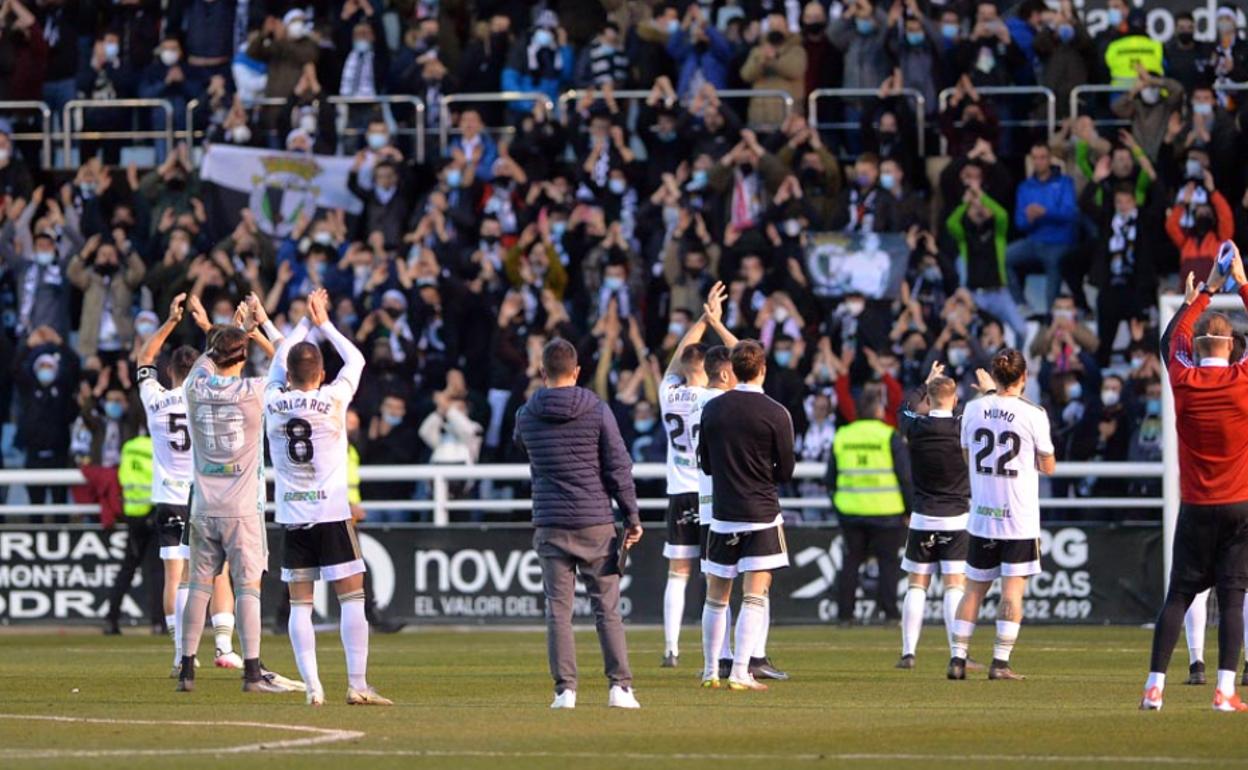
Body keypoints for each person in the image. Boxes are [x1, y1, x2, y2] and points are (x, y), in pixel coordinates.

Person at [267, 289, 390, 707]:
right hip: (332, 511)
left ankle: (313, 686)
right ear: (320, 374)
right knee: (351, 595)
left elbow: (276, 361)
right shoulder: (334, 398)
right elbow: (356, 360)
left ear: (289, 372)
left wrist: (303, 323)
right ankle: (357, 683)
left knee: (300, 601)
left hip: (292, 513)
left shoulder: (273, 399)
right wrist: (324, 324)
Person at [176, 296, 300, 695]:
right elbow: (287, 360)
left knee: (198, 586)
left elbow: (208, 360)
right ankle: (251, 673)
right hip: (242, 508)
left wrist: (232, 331)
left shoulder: (194, 385)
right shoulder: (254, 391)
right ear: (242, 358)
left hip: (204, 506)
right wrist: (258, 327)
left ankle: (187, 671)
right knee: (248, 588)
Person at [1141, 254, 1248, 712]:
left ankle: (1154, 686)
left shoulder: (1184, 379)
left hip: (1196, 503)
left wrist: (1201, 292)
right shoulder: (1242, 381)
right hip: (1240, 502)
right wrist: (1242, 283)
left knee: (1179, 595)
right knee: (1233, 596)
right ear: (1232, 346)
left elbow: (1171, 341)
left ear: (1201, 345)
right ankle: (1224, 690)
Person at [513, 338, 643, 710]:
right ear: (577, 371)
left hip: (550, 522)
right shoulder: (597, 410)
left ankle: (565, 691)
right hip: (595, 522)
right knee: (607, 609)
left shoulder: (526, 413)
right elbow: (618, 467)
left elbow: (519, 442)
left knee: (558, 609)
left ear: (542, 373)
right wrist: (631, 515)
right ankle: (620, 687)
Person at [948, 348, 1055, 681]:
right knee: (1012, 590)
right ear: (1024, 377)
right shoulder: (1034, 414)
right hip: (1018, 517)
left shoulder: (972, 409)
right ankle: (1000, 662)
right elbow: (1048, 466)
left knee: (973, 589)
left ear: (994, 377)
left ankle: (957, 658)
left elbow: (967, 454)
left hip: (982, 514)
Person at [698, 340, 795, 691]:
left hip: (723, 514)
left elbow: (705, 463)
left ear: (733, 371)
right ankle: (741, 671)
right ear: (763, 369)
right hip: (762, 514)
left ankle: (711, 670)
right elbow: (786, 470)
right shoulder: (776, 412)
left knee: (716, 594)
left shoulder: (713, 409)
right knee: (754, 594)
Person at [657, 282, 734, 668]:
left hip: (677, 491)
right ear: (708, 368)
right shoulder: (714, 397)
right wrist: (716, 323)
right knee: (716, 575)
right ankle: (722, 652)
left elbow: (675, 358)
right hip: (708, 494)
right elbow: (745, 360)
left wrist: (701, 321)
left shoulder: (667, 392)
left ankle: (671, 648)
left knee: (678, 572)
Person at [895, 363, 972, 670]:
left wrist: (922, 386)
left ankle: (908, 653)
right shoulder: (961, 426)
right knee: (955, 585)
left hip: (923, 516)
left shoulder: (917, 427)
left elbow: (904, 410)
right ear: (953, 399)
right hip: (956, 516)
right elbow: (973, 412)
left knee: (917, 585)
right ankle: (957, 653)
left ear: (928, 398)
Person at [827, 389, 911, 627]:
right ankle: (890, 614)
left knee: (851, 563)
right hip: (887, 512)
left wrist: (840, 505)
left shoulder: (843, 435)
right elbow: (905, 478)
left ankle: (845, 615)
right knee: (888, 565)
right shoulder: (889, 436)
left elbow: (830, 479)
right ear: (878, 410)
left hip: (851, 512)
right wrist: (909, 510)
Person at [106, 430, 161, 635]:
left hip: (133, 514)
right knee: (157, 571)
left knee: (127, 568)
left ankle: (111, 619)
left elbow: (122, 477)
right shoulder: (159, 445)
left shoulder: (128, 447)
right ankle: (159, 622)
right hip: (154, 512)